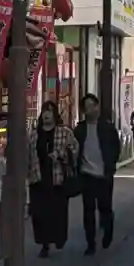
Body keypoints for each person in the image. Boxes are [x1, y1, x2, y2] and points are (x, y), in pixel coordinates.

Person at [28, 100, 78, 255]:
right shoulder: (34, 134)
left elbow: (74, 149)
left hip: (57, 177)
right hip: (38, 177)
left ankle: (58, 238)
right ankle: (44, 244)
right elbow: (28, 155)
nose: (46, 115)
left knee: (58, 212)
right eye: (44, 111)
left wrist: (59, 154)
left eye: (49, 111)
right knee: (40, 213)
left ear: (55, 114)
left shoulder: (64, 132)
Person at [74, 93, 121, 254]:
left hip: (104, 174)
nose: (91, 109)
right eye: (87, 107)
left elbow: (116, 146)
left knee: (105, 207)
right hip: (86, 174)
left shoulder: (107, 127)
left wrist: (111, 164)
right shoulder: (80, 129)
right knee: (88, 210)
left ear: (97, 106)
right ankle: (90, 243)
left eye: (93, 105)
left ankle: (108, 231)